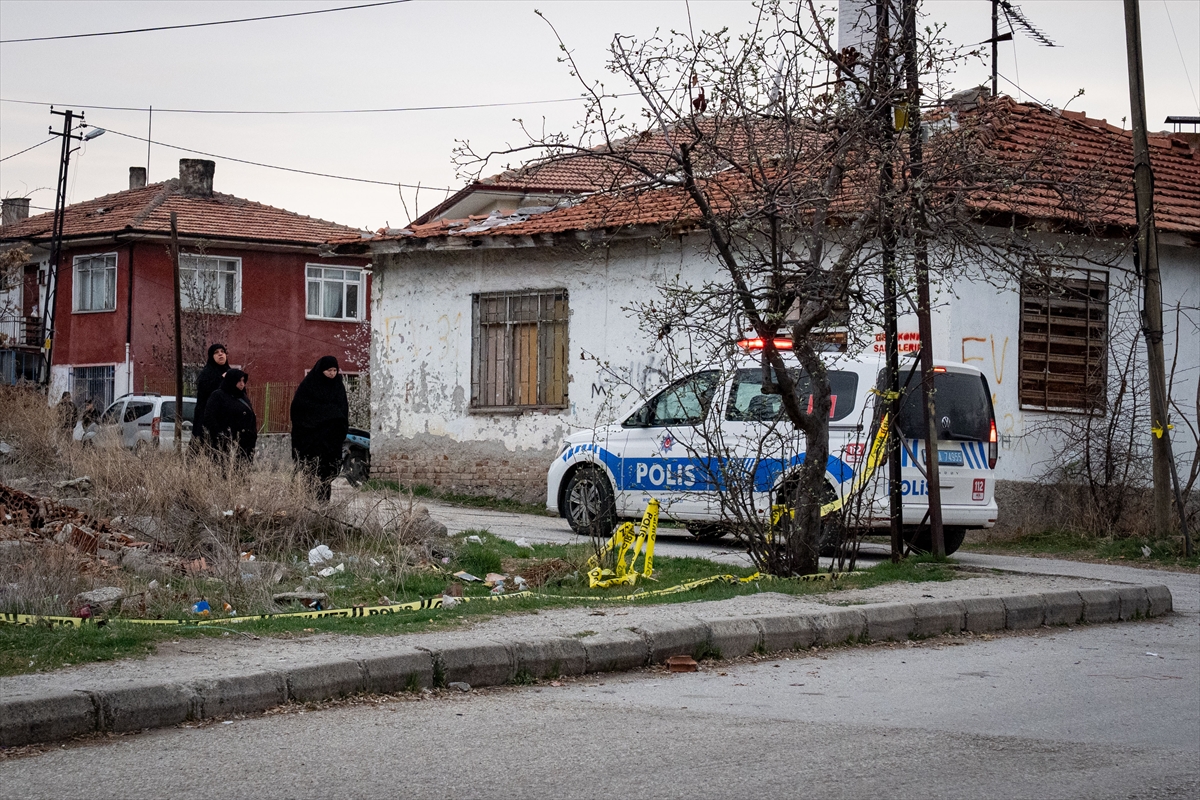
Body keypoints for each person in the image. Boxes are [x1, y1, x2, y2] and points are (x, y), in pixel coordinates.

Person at [290, 355, 349, 503]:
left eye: (335, 370)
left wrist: (337, 427)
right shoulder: (309, 387)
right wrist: (329, 413)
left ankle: (323, 508)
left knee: (326, 477)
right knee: (311, 474)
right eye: (329, 370)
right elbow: (299, 411)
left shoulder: (338, 387)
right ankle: (308, 506)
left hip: (331, 442)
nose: (332, 373)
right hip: (311, 442)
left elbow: (343, 412)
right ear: (321, 370)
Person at [201, 368, 257, 465]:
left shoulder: (243, 397)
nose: (242, 384)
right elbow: (209, 417)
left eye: (243, 380)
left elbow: (250, 416)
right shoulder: (218, 396)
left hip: (245, 445)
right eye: (239, 380)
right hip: (226, 444)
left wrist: (253, 434)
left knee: (242, 472)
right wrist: (221, 435)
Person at [192, 343, 228, 447]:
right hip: (208, 422)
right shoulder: (206, 375)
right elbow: (208, 394)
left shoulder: (231, 373)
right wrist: (221, 380)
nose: (220, 354)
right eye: (216, 353)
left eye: (222, 352)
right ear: (211, 357)